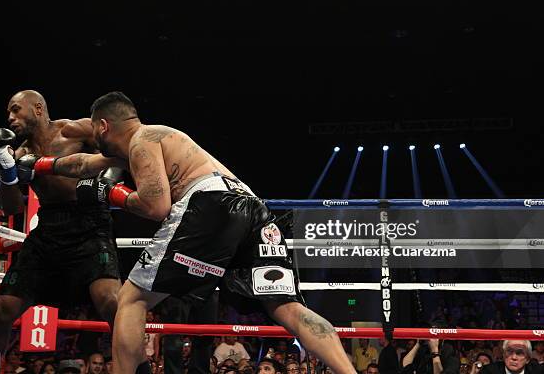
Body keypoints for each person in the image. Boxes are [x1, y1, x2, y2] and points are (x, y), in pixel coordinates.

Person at [18, 91, 356, 374]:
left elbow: (156, 206)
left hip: (210, 204)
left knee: (131, 300)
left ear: (103, 126)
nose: (95, 142)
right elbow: (84, 164)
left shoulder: (142, 140)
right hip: (252, 209)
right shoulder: (153, 138)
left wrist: (113, 194)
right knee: (289, 309)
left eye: (95, 133)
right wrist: (39, 164)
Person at [0, 90, 122, 355]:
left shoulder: (73, 131)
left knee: (112, 303)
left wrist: (106, 181)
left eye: (15, 110)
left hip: (89, 224)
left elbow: (118, 152)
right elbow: (12, 207)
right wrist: (7, 173)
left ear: (37, 109)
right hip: (48, 230)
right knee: (1, 311)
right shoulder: (19, 152)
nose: (10, 118)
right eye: (8, 113)